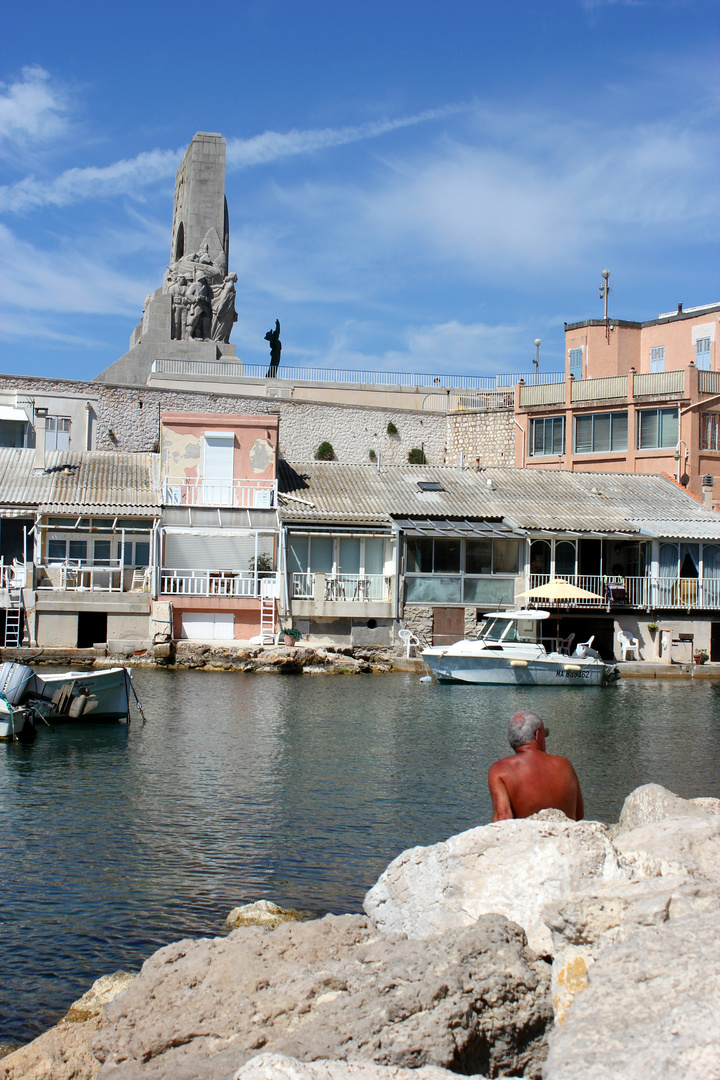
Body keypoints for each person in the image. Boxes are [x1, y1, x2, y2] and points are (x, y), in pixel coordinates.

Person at [488, 710, 584, 821]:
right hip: (564, 836)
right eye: (545, 734)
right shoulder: (565, 765)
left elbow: (503, 817)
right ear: (538, 736)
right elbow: (579, 814)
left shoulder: (500, 770)